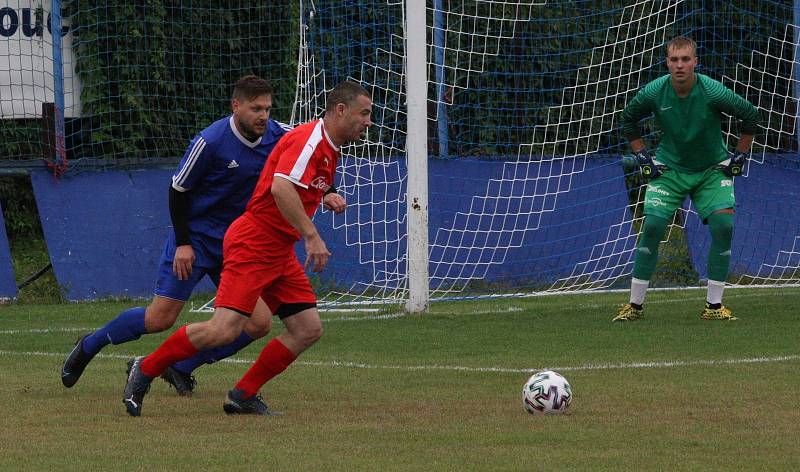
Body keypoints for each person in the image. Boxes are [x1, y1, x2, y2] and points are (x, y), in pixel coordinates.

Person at [122, 81, 372, 417]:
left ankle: (243, 394)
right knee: (222, 329)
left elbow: (301, 185)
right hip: (253, 244)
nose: (368, 121)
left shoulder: (328, 145)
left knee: (307, 328)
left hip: (278, 250)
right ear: (341, 110)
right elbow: (281, 187)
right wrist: (311, 235)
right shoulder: (311, 141)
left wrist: (326, 194)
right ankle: (147, 367)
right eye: (364, 113)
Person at [62, 75, 291, 395]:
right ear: (236, 106)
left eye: (267, 109)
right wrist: (183, 243)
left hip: (238, 245)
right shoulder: (209, 142)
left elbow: (308, 148)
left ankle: (180, 365)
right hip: (195, 240)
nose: (263, 116)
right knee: (159, 318)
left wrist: (330, 188)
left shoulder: (280, 136)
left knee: (259, 324)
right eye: (256, 109)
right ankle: (89, 345)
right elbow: (177, 190)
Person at [613, 36, 760, 322]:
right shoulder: (654, 92)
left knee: (723, 225)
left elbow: (750, 115)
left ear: (695, 62)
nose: (679, 65)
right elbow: (628, 119)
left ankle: (714, 307)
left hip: (711, 170)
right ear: (667, 63)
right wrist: (642, 156)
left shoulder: (713, 91)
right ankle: (634, 306)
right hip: (669, 169)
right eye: (674, 60)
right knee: (652, 225)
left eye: (685, 59)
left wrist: (739, 156)